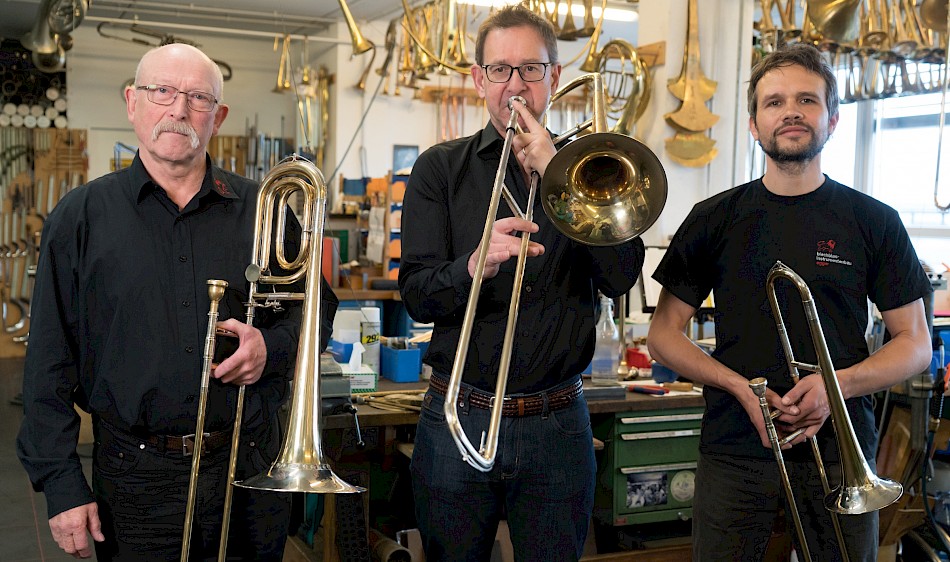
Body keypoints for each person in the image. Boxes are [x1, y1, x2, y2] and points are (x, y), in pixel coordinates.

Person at [16, 43, 338, 561]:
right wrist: (61, 484)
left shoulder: (266, 208)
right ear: (132, 102)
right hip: (135, 481)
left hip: (250, 467)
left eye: (197, 97)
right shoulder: (80, 217)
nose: (178, 109)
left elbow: (317, 313)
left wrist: (270, 349)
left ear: (219, 116)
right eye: (161, 91)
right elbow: (48, 364)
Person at [647, 42, 933, 562]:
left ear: (833, 119)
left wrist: (835, 386)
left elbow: (915, 344)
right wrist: (737, 386)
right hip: (735, 445)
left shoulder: (873, 221)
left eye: (807, 100)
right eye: (774, 102)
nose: (792, 112)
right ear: (754, 125)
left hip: (840, 445)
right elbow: (663, 335)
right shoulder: (714, 218)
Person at [398, 6, 645, 560]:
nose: (515, 86)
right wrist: (472, 265)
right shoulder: (440, 169)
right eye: (500, 70)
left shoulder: (591, 169)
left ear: (554, 78)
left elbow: (621, 276)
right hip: (458, 413)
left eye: (531, 69)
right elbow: (415, 294)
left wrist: (561, 177)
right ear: (478, 78)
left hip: (558, 424)